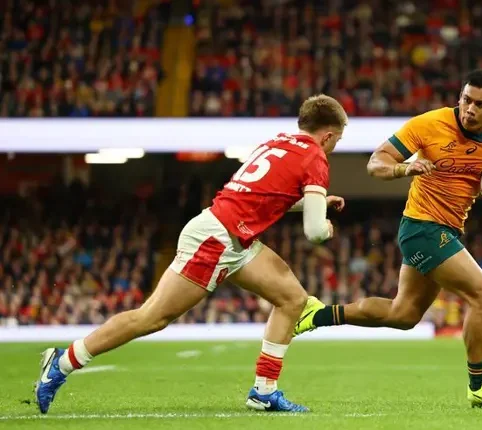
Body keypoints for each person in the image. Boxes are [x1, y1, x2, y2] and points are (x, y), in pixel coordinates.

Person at [35, 94, 348, 414]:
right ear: (327, 136)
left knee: (292, 299)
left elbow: (266, 195)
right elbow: (314, 233)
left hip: (232, 236)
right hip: (217, 239)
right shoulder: (314, 157)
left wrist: (316, 203)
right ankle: (63, 361)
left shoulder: (279, 142)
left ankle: (264, 391)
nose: (335, 146)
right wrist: (324, 225)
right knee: (152, 318)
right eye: (337, 139)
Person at [294, 69, 482, 408]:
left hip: (448, 229)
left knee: (404, 314)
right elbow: (376, 162)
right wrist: (403, 168)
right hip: (422, 227)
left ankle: (317, 314)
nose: (470, 109)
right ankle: (480, 384)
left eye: (480, 104)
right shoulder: (429, 124)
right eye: (466, 100)